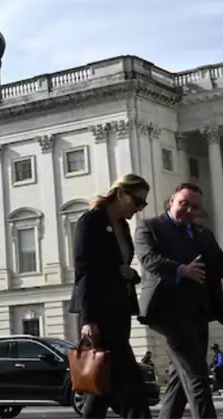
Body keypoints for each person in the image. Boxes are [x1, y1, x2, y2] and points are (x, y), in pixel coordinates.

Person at [135, 183, 223, 419]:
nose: (190, 210)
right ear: (172, 201)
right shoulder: (150, 227)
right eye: (184, 204)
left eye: (195, 207)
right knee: (197, 378)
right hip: (167, 314)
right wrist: (181, 270)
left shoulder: (203, 233)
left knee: (179, 382)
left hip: (198, 314)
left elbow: (219, 261)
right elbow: (149, 259)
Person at [68, 173, 155, 419]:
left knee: (103, 384)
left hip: (120, 310)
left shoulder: (123, 227)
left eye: (144, 204)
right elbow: (84, 271)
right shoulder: (90, 222)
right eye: (137, 201)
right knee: (129, 383)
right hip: (100, 314)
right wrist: (88, 318)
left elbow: (118, 266)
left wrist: (131, 275)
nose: (139, 208)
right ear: (120, 193)